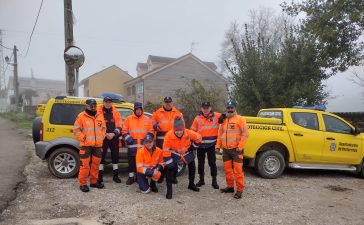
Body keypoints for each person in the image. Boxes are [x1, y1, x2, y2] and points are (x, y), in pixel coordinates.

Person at [216, 100, 249, 199]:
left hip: (236, 150)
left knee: (238, 171)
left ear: (235, 108)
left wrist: (240, 146)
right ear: (226, 108)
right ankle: (230, 187)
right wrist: (218, 146)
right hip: (226, 150)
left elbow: (245, 134)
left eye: (232, 107)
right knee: (227, 170)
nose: (230, 109)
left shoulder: (240, 119)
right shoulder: (223, 120)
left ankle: (239, 190)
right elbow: (220, 135)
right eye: (228, 107)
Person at [163, 116, 202, 199]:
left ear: (183, 129)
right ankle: (169, 190)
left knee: (192, 167)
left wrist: (194, 146)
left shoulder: (188, 132)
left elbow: (199, 137)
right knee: (170, 169)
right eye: (177, 130)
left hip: (186, 152)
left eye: (181, 130)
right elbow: (165, 151)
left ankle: (191, 184)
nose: (179, 132)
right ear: (174, 129)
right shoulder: (168, 136)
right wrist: (169, 163)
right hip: (174, 153)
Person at [73, 99, 106, 192]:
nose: (93, 107)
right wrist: (84, 138)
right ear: (87, 106)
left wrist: (102, 137)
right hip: (85, 145)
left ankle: (93, 182)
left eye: (94, 105)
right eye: (91, 105)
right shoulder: (81, 116)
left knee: (96, 164)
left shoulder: (100, 115)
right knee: (85, 165)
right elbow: (76, 130)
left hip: (97, 145)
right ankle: (83, 184)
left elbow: (103, 128)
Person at [152, 96, 183, 183]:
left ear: (172, 103)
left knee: (174, 158)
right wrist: (155, 126)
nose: (168, 103)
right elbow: (152, 122)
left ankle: (173, 176)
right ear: (164, 103)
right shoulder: (157, 113)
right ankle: (161, 176)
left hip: (173, 139)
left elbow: (182, 126)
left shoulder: (178, 113)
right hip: (161, 139)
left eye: (169, 102)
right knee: (162, 158)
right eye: (166, 102)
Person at [190, 101, 221, 189]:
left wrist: (223, 116)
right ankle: (201, 180)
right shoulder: (197, 118)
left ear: (210, 108)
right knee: (200, 163)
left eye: (207, 108)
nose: (206, 109)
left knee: (212, 163)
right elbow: (192, 131)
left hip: (211, 145)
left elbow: (226, 114)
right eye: (204, 108)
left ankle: (214, 181)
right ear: (201, 109)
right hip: (200, 145)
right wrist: (191, 143)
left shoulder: (216, 116)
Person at [122, 102, 153, 185]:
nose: (138, 111)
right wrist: (128, 139)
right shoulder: (128, 119)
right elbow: (124, 131)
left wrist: (148, 140)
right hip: (132, 145)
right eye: (137, 109)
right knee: (131, 163)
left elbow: (151, 131)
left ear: (142, 110)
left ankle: (140, 178)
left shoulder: (147, 119)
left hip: (144, 147)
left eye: (140, 109)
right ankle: (131, 177)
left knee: (142, 163)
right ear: (134, 110)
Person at [97, 96, 123, 185]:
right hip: (102, 138)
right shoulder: (98, 111)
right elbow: (96, 125)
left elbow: (120, 125)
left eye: (109, 102)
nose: (108, 103)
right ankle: (99, 177)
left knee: (115, 156)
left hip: (114, 138)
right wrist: (105, 134)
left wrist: (114, 133)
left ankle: (115, 176)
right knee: (101, 157)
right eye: (106, 101)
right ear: (103, 102)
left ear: (111, 103)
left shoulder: (116, 112)